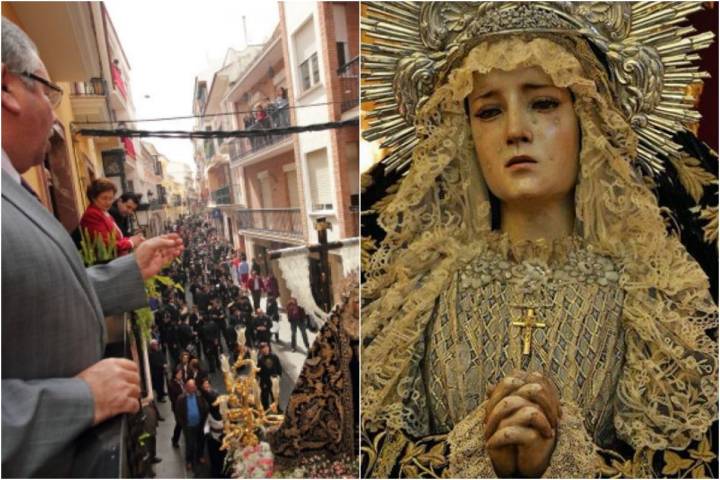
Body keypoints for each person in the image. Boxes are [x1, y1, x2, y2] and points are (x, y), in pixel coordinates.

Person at [360, 3, 718, 478]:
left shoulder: (653, 295)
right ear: (465, 133)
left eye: (544, 103)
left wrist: (563, 462)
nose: (515, 131)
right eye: (489, 111)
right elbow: (373, 456)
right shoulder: (416, 293)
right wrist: (474, 458)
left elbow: (690, 463)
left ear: (587, 118)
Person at [1, 17, 184, 477]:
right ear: (7, 89)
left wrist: (127, 271)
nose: (51, 108)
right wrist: (78, 400)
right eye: (46, 89)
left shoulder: (16, 186)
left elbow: (33, 297)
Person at [79, 178, 144, 256]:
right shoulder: (92, 214)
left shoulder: (103, 212)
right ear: (93, 197)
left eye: (111, 198)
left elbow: (117, 237)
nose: (108, 202)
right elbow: (105, 244)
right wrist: (130, 242)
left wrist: (133, 239)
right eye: (104, 198)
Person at [175, 379, 209, 472]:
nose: (193, 389)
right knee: (190, 444)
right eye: (191, 387)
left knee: (200, 442)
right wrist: (183, 424)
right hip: (188, 427)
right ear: (186, 388)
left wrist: (204, 420)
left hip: (199, 425)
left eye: (194, 387)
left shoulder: (199, 396)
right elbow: (178, 413)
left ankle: (200, 456)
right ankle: (189, 461)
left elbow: (205, 408)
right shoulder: (181, 399)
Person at [257, 342, 282, 410]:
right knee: (265, 397)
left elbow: (279, 366)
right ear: (261, 350)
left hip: (274, 380)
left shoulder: (274, 356)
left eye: (265, 347)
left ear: (268, 347)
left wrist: (279, 376)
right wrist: (261, 381)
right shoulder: (260, 359)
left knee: (275, 395)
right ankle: (266, 410)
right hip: (265, 381)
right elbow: (258, 371)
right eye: (262, 348)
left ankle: (277, 409)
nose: (264, 350)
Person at [168, 367, 185, 449]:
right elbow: (173, 398)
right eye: (179, 374)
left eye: (181, 373)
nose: (181, 375)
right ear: (175, 375)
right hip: (177, 407)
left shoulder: (182, 381)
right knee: (179, 424)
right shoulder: (172, 384)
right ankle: (175, 440)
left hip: (184, 405)